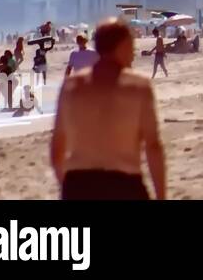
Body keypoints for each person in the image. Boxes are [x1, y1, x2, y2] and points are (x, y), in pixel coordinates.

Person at [50, 19, 165, 200]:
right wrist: (161, 196)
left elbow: (57, 151)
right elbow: (153, 147)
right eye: (131, 47)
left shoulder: (71, 86)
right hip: (124, 184)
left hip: (78, 184)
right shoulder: (139, 86)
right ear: (122, 46)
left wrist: (68, 188)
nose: (133, 54)